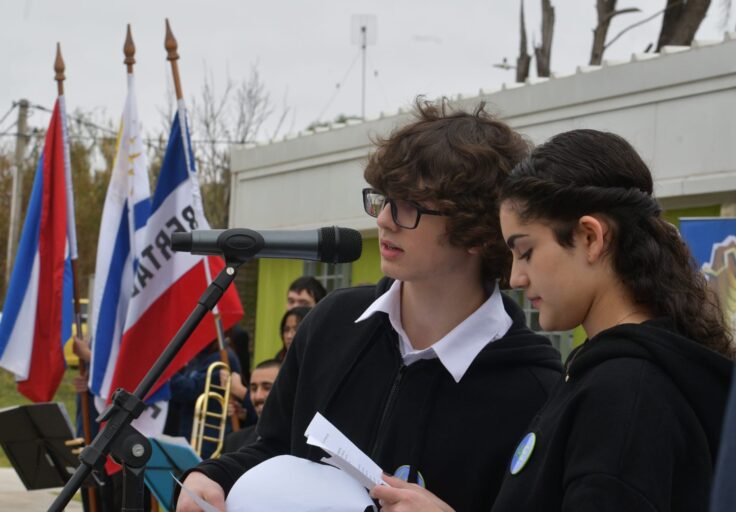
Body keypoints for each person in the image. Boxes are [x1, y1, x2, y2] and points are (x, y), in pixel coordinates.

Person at [176, 98, 563, 512]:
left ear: (478, 233)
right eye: (383, 199)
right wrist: (214, 475)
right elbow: (271, 446)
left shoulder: (535, 388)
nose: (384, 220)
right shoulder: (332, 322)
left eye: (410, 206)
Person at [371, 129, 734, 511]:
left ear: (591, 238)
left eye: (525, 251)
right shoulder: (627, 374)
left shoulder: (625, 395)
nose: (515, 278)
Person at [223, 359, 282, 453]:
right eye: (253, 389)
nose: (258, 396)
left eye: (267, 388)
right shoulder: (234, 441)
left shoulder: (304, 443)